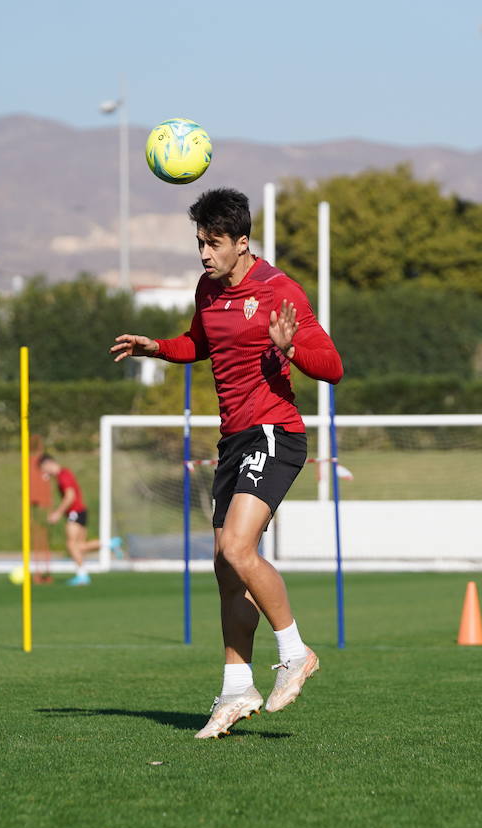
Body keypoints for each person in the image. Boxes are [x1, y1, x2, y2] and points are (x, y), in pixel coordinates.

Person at [111, 187, 342, 739]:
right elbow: (200, 343)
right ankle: (237, 688)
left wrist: (289, 350)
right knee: (225, 567)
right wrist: (157, 349)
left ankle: (295, 652)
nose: (204, 254)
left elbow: (332, 366)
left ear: (243, 243)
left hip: (274, 432)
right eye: (199, 243)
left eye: (213, 244)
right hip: (234, 439)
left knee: (239, 549)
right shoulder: (207, 288)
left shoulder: (280, 291)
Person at [38, 455, 115, 586]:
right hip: (81, 511)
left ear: (48, 464)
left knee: (71, 545)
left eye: (43, 469)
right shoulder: (63, 474)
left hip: (75, 511)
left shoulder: (63, 476)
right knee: (79, 547)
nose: (43, 472)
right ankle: (109, 544)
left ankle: (83, 574)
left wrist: (57, 513)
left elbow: (70, 496)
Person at [28, 436, 54, 584]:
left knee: (43, 539)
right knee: (35, 537)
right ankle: (38, 572)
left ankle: (44, 572)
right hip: (33, 502)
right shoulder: (30, 464)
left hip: (43, 503)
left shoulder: (42, 465)